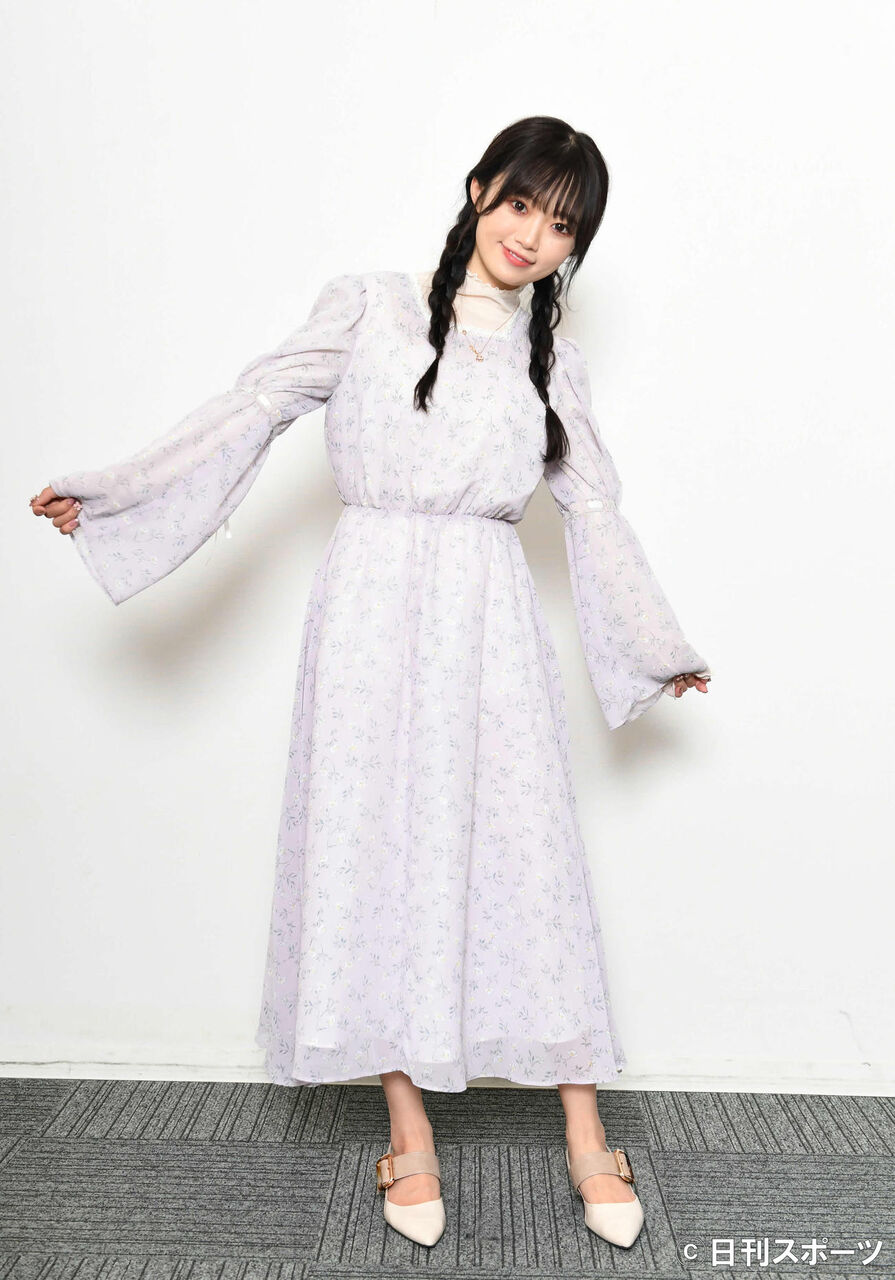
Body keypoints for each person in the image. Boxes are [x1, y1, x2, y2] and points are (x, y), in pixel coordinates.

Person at [31, 115, 711, 1250]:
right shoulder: (369, 308)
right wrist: (119, 492)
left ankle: (588, 1133)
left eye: (560, 225)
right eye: (520, 204)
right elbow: (252, 408)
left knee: (529, 857)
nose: (532, 236)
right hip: (370, 612)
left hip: (488, 612)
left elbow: (592, 507)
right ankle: (408, 1128)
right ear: (479, 189)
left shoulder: (554, 361)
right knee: (375, 851)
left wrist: (654, 642)